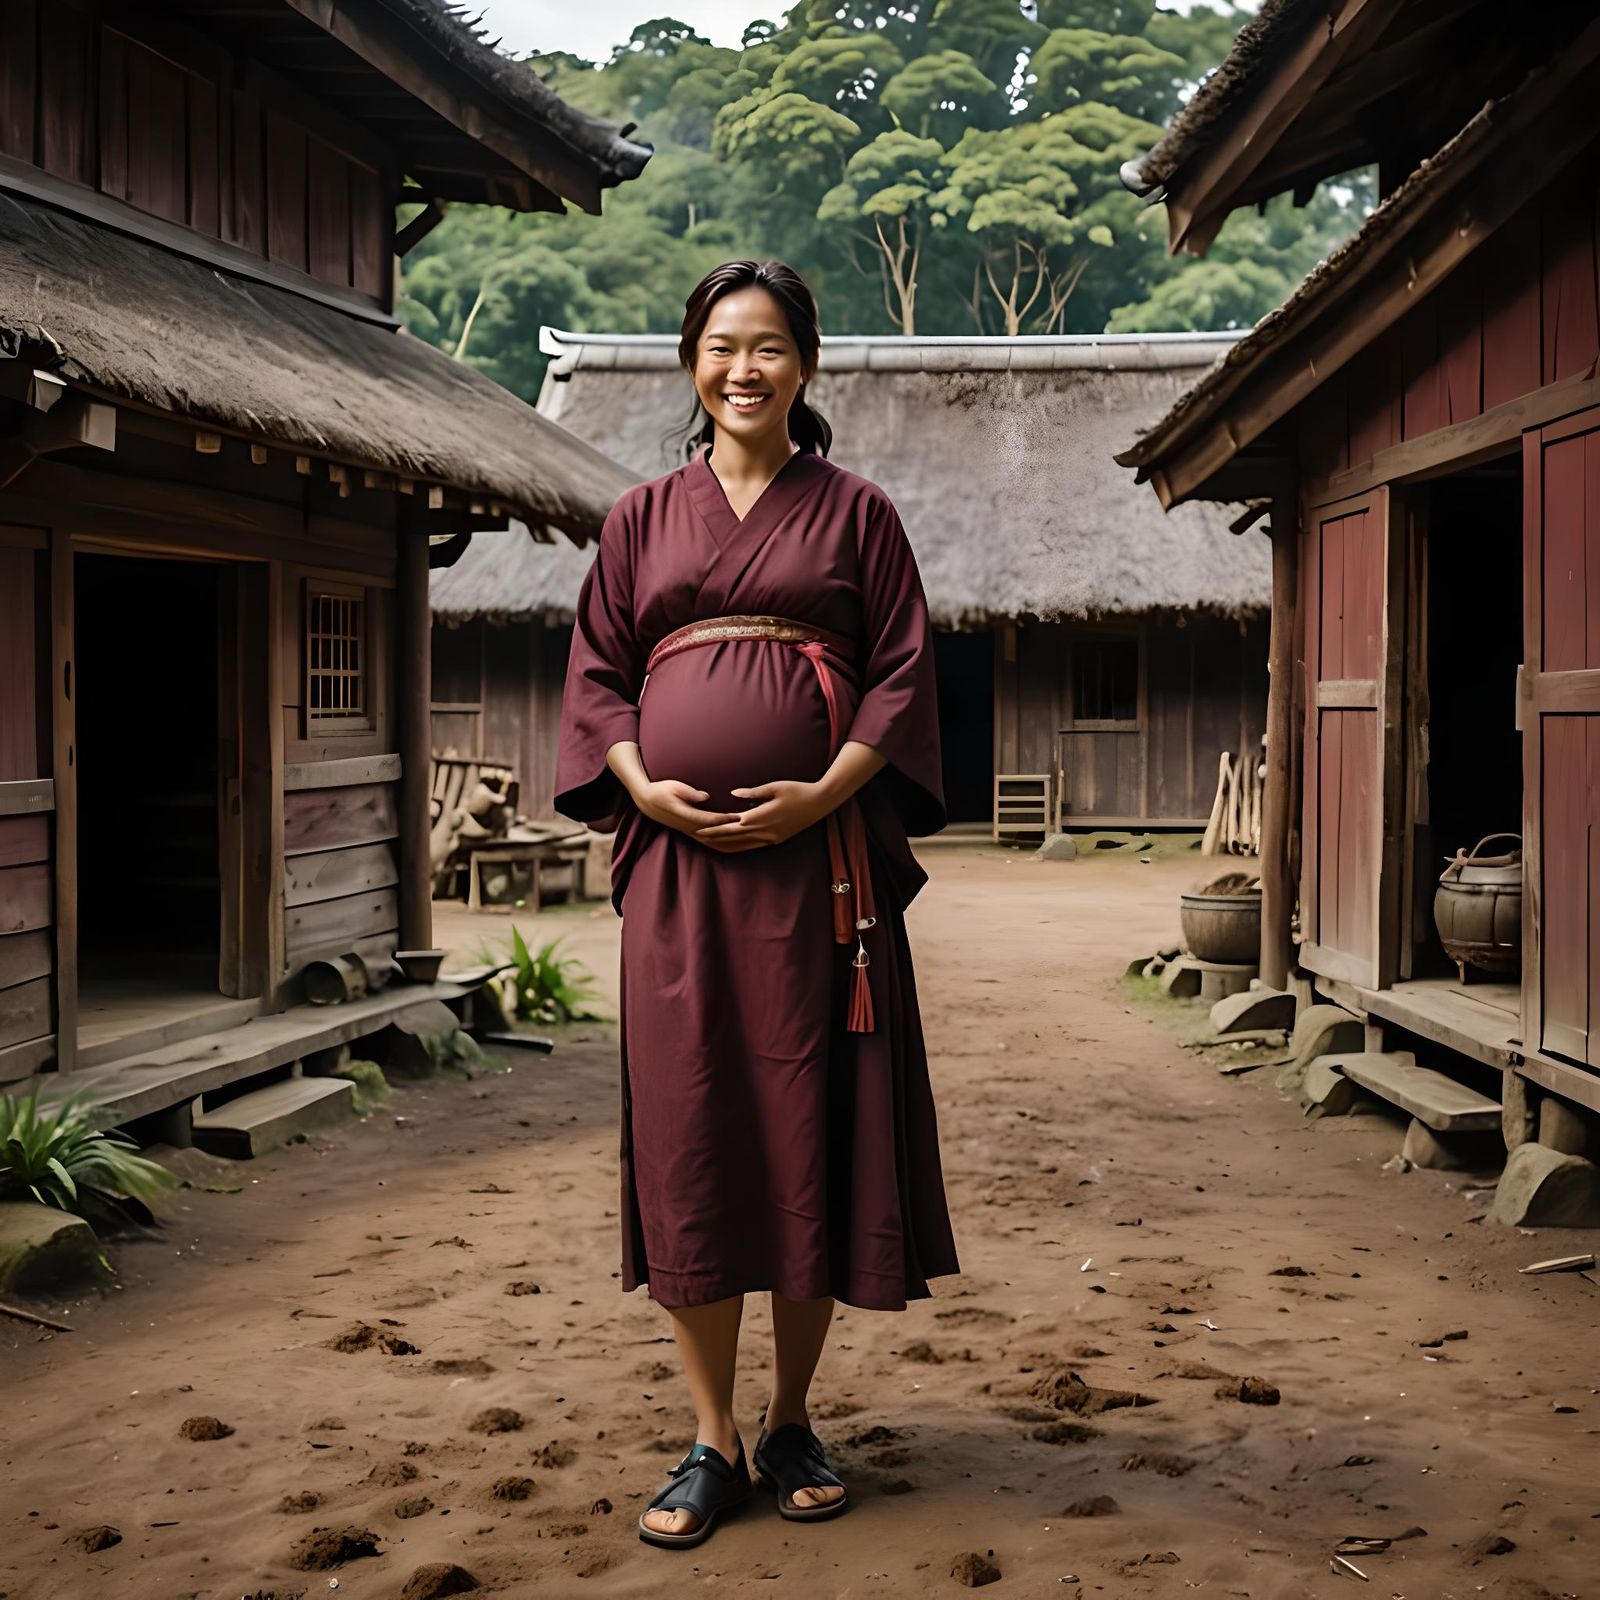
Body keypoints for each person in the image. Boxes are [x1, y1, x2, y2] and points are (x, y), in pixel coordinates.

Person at [554, 259, 959, 1549]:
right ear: (693, 363)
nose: (745, 369)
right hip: (678, 876)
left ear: (806, 364)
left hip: (819, 871)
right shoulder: (638, 520)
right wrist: (643, 788)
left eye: (770, 346)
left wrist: (823, 793)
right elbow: (598, 677)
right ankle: (710, 1436)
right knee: (693, 1132)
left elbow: (902, 673)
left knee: (805, 1127)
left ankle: (790, 1420)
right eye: (723, 346)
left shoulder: (859, 515)